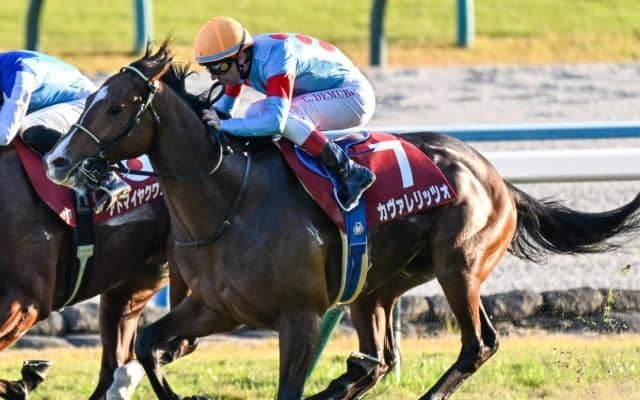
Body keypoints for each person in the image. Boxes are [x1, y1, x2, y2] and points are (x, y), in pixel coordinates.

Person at [194, 17, 376, 212]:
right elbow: (225, 111)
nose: (213, 76)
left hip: (354, 96)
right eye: (209, 68)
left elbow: (275, 122)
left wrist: (224, 125)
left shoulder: (275, 56)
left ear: (239, 58)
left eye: (218, 67)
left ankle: (350, 172)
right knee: (254, 113)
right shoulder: (242, 60)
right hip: (325, 93)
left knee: (284, 118)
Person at [0, 50, 130, 212]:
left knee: (29, 126)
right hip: (53, 102)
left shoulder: (18, 74)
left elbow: (5, 135)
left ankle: (105, 177)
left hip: (85, 105)